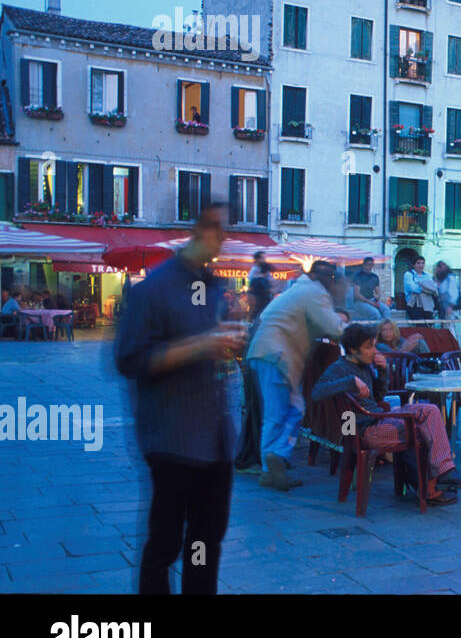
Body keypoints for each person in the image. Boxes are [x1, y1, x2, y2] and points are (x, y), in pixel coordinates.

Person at [114, 200, 248, 594]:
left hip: (214, 440)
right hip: (171, 438)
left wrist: (220, 346)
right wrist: (201, 345)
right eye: (220, 231)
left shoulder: (210, 286)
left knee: (205, 542)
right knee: (166, 544)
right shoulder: (152, 290)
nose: (224, 240)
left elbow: (206, 344)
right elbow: (130, 359)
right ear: (202, 230)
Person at [311, 324, 461, 505]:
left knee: (429, 410)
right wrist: (350, 381)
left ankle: (444, 473)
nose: (374, 351)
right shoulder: (339, 368)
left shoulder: (364, 366)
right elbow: (317, 393)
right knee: (427, 428)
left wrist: (383, 371)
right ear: (353, 349)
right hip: (365, 431)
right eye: (369, 347)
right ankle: (431, 489)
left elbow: (377, 397)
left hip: (377, 419)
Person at [245, 260, 346, 489]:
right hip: (278, 356)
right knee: (294, 410)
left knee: (276, 414)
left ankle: (270, 468)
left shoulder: (297, 289)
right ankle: (277, 457)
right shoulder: (315, 293)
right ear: (328, 280)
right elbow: (334, 327)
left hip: (264, 353)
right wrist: (361, 334)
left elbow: (268, 318)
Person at [246, 251, 273, 319]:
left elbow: (270, 280)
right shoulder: (254, 270)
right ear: (258, 259)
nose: (264, 259)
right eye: (263, 258)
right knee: (258, 313)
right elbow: (251, 280)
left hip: (264, 297)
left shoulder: (264, 269)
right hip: (258, 297)